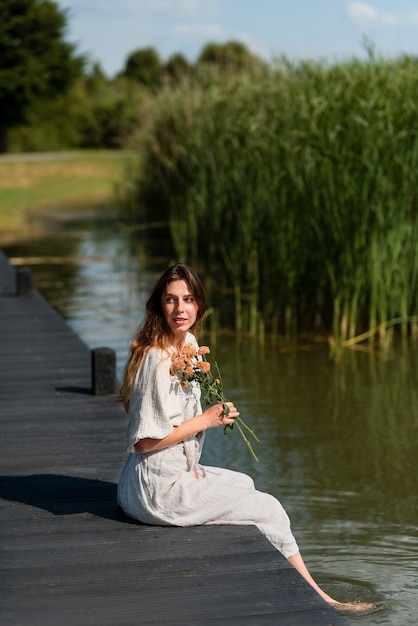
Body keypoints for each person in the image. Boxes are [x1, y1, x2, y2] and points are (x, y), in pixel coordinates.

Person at [117, 263, 374, 613]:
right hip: (154, 490)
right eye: (171, 300)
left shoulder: (188, 346)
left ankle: (262, 577)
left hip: (170, 474)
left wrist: (200, 440)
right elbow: (145, 443)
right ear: (159, 305)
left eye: (188, 300)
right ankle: (321, 599)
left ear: (199, 306)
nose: (180, 310)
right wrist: (206, 421)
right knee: (269, 507)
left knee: (246, 483)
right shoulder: (156, 358)